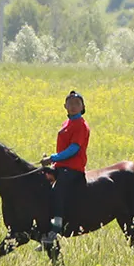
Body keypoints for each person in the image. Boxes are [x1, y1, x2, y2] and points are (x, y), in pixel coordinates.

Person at [37, 90, 89, 246]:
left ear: (82, 107)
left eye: (77, 104)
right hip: (61, 165)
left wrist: (53, 158)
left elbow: (74, 149)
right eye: (70, 103)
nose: (73, 107)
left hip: (73, 168)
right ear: (64, 106)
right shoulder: (67, 123)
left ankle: (57, 227)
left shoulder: (81, 125)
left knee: (57, 189)